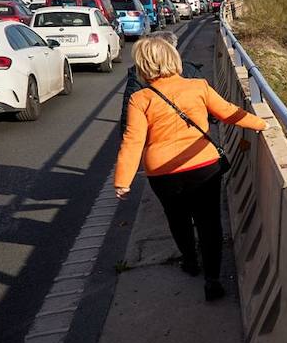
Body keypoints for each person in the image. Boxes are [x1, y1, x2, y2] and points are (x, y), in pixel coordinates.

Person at [115, 35, 268, 300]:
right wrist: (262, 124)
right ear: (173, 59)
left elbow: (132, 141)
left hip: (163, 174)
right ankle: (212, 279)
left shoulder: (140, 99)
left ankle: (190, 261)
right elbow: (228, 112)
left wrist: (123, 180)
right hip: (203, 166)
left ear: (143, 65)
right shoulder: (198, 86)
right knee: (209, 223)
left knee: (178, 219)